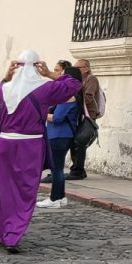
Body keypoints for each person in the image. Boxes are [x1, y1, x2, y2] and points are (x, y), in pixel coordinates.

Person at [0, 50, 81, 253]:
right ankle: (12, 235)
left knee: (3, 190)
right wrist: (49, 73)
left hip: (4, 144)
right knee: (25, 190)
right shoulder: (43, 88)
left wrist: (7, 76)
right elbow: (73, 84)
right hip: (29, 145)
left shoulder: (6, 88)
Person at [38, 65, 82, 211]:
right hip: (63, 135)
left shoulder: (68, 97)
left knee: (56, 168)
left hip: (58, 135)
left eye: (62, 75)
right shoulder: (74, 95)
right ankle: (61, 196)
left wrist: (40, 113)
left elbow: (57, 118)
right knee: (58, 168)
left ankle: (54, 198)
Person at [69, 57, 103, 180]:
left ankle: (78, 170)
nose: (75, 70)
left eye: (78, 68)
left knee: (80, 140)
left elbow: (88, 97)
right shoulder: (79, 80)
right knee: (74, 141)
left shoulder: (91, 79)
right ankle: (76, 169)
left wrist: (73, 100)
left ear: (86, 69)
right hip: (79, 114)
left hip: (88, 115)